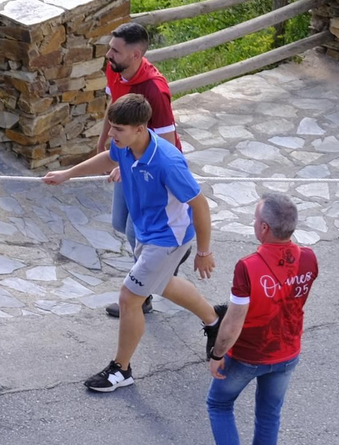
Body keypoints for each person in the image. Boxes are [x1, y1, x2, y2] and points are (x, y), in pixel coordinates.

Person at [43, 93, 221, 392]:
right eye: (111, 126)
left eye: (118, 129)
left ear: (140, 129)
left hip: (167, 239)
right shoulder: (126, 146)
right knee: (162, 284)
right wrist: (68, 174)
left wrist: (204, 251)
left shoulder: (167, 162)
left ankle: (121, 370)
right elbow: (110, 156)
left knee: (129, 298)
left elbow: (200, 206)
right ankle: (215, 321)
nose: (111, 134)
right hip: (147, 233)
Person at [205, 193, 317, 445]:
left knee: (218, 403)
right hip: (287, 353)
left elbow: (233, 322)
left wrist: (217, 354)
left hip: (248, 355)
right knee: (268, 417)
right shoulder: (309, 259)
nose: (253, 223)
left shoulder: (248, 267)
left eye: (255, 219)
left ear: (264, 228)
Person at [99, 21, 182, 317]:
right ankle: (164, 264)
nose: (109, 53)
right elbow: (113, 108)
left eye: (115, 50)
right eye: (110, 47)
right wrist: (103, 146)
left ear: (135, 55)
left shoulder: (154, 91)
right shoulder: (115, 68)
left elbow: (168, 143)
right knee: (120, 223)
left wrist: (129, 166)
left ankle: (141, 293)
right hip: (126, 159)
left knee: (138, 233)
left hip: (152, 174)